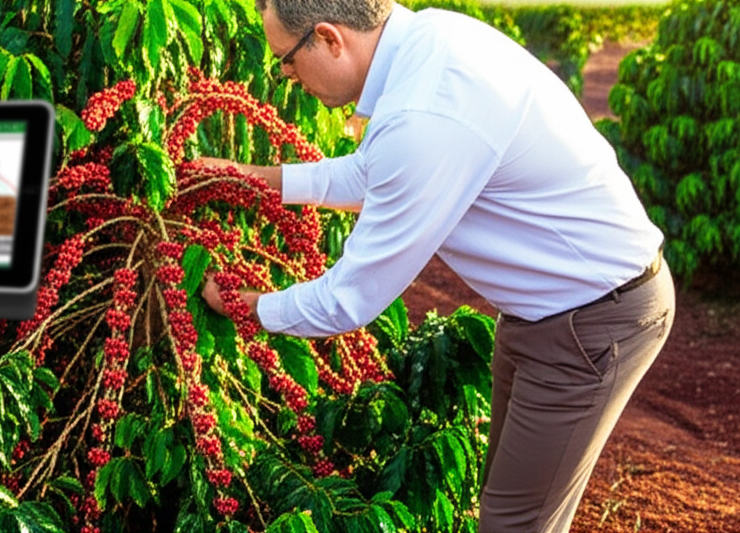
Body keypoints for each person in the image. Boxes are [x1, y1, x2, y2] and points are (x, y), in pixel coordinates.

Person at [199, 1, 676, 532]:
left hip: (592, 320)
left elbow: (348, 299)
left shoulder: (425, 111)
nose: (286, 76)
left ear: (330, 39)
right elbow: (373, 174)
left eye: (286, 59)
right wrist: (252, 176)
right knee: (506, 502)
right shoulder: (426, 43)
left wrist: (244, 308)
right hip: (543, 313)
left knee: (515, 522)